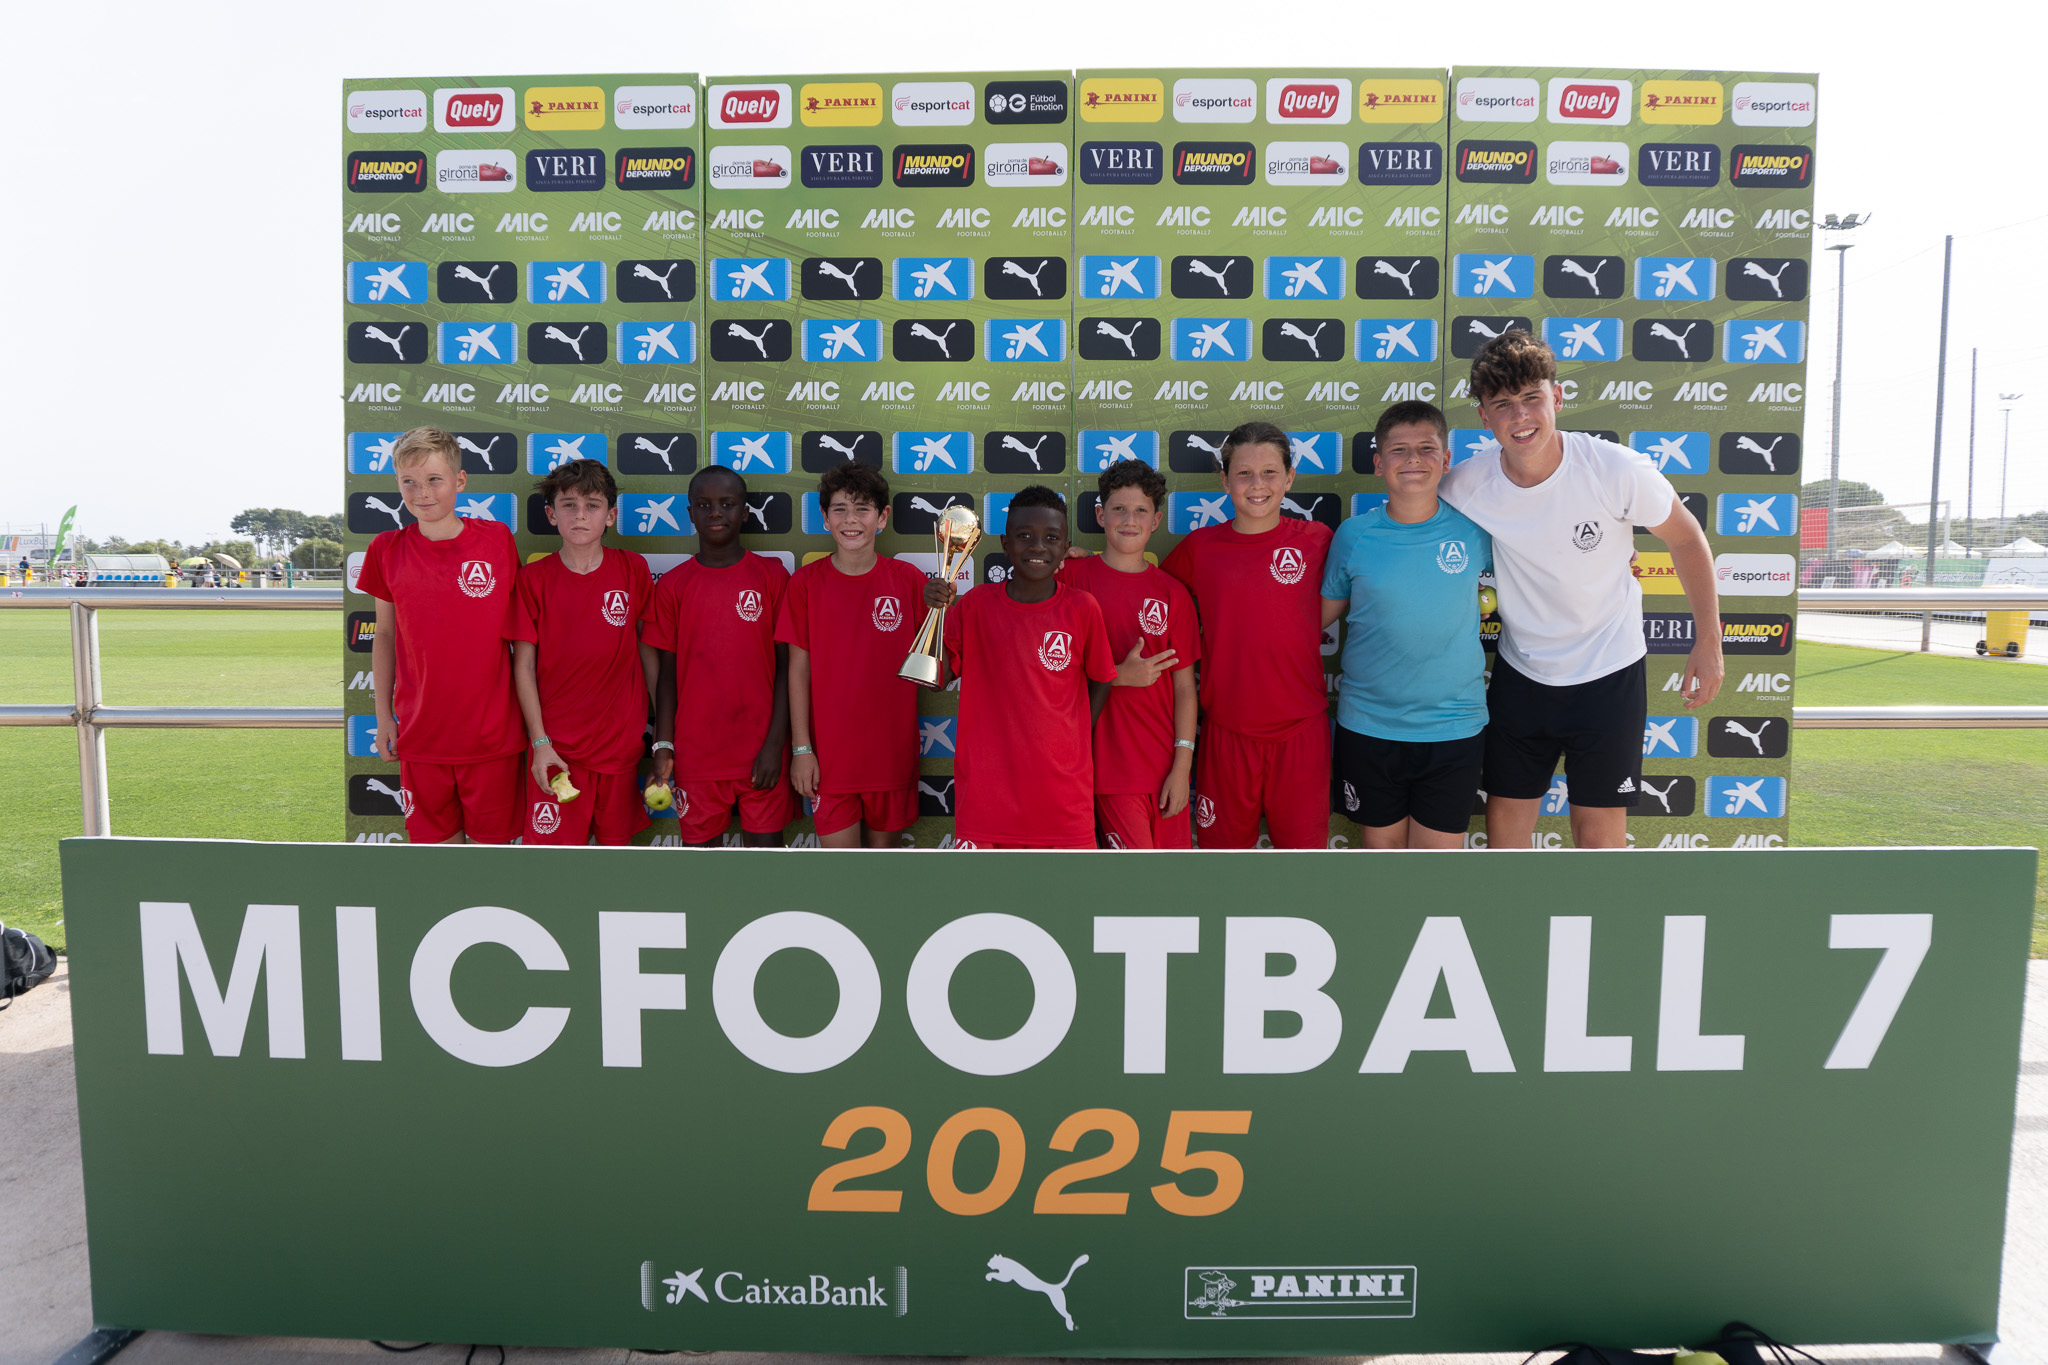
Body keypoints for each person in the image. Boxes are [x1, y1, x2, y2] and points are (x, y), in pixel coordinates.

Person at [1442, 330, 1723, 850]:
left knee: (1597, 837)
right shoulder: (1464, 486)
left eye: (1532, 398)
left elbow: (1686, 539)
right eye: (1502, 405)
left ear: (1557, 396)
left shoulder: (1615, 469)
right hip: (1522, 673)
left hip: (1609, 673)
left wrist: (1708, 642)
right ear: (1484, 417)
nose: (1520, 416)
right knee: (1505, 832)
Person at [1319, 401, 1492, 849]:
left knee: (1435, 871)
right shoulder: (1353, 536)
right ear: (1379, 463)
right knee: (1386, 866)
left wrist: (1613, 560)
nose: (1413, 459)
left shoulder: (1476, 531)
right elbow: (1315, 619)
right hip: (1370, 727)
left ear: (1446, 459)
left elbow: (1542, 566)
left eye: (1426, 448)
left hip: (1454, 727)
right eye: (1398, 450)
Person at [1161, 420, 1334, 849]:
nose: (1257, 484)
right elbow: (1146, 592)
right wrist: (1086, 564)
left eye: (1270, 472)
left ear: (1290, 477)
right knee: (1224, 866)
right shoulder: (1201, 548)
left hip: (1301, 734)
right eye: (1244, 473)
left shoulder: (1318, 540)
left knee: (1304, 865)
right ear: (1224, 480)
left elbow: (1365, 582)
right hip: (1227, 735)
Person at [924, 485, 1115, 849]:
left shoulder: (1082, 608)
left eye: (1051, 538)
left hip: (1063, 800)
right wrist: (936, 614)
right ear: (1005, 544)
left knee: (1066, 887)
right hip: (986, 801)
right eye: (1024, 536)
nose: (1038, 546)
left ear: (1065, 547)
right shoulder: (976, 606)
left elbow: (1102, 679)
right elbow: (938, 679)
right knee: (986, 889)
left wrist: (1075, 735)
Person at [358, 426, 523, 843]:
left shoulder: (497, 540)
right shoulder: (385, 549)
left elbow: (521, 635)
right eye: (408, 482)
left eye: (434, 479)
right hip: (420, 737)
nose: (422, 493)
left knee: (492, 858)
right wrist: (383, 717)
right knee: (436, 860)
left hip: (492, 738)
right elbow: (385, 636)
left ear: (459, 481)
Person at [776, 463, 928, 848]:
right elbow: (798, 671)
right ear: (825, 518)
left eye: (863, 509)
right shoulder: (805, 584)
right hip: (830, 762)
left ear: (882, 517)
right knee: (840, 876)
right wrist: (802, 749)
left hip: (891, 758)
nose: (851, 519)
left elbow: (942, 656)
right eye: (840, 509)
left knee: (882, 874)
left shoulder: (909, 580)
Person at [508, 458, 657, 847]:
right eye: (568, 504)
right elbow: (523, 666)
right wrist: (540, 743)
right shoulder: (532, 580)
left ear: (610, 516)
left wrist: (663, 734)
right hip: (556, 752)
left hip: (620, 748)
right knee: (552, 868)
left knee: (614, 865)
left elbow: (647, 651)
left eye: (592, 505)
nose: (579, 515)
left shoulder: (632, 569)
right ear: (551, 514)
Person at [646, 466, 792, 848]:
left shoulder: (771, 577)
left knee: (766, 868)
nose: (715, 512)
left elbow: (787, 669)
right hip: (697, 756)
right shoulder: (673, 585)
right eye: (704, 505)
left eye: (727, 504)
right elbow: (667, 677)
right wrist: (664, 745)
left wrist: (775, 745)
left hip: (761, 752)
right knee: (703, 873)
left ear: (744, 512)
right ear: (690, 513)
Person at [1063, 461, 1200, 848]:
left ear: (1156, 521)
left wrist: (1182, 767)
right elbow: (1047, 670)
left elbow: (1185, 688)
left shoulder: (1173, 593)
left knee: (1169, 881)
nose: (1129, 520)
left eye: (1141, 510)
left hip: (1164, 771)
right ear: (1100, 515)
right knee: (1136, 880)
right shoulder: (1070, 578)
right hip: (1108, 770)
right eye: (1119, 509)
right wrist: (1118, 675)